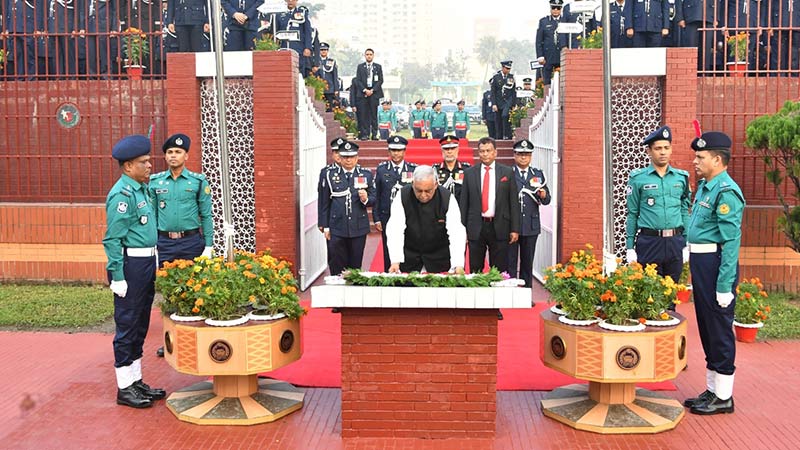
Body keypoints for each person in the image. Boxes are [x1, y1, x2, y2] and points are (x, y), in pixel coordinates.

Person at [102, 135, 166, 409]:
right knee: (127, 325)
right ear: (128, 166)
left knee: (141, 323)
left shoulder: (141, 189)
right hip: (130, 266)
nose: (150, 165)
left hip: (146, 263)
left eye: (148, 160)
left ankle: (136, 380)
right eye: (143, 162)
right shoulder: (122, 195)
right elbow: (112, 239)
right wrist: (117, 276)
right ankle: (124, 387)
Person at [684, 131, 744, 415]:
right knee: (707, 328)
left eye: (700, 157)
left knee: (719, 329)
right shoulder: (707, 187)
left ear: (717, 159)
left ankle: (724, 396)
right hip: (702, 263)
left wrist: (724, 285)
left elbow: (730, 243)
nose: (695, 161)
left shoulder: (726, 191)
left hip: (716, 266)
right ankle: (711, 390)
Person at [149, 133, 213, 357]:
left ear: (186, 155)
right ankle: (171, 341)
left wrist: (209, 246)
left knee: (196, 290)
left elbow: (207, 216)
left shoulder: (197, 181)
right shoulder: (156, 182)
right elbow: (152, 215)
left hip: (191, 242)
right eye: (169, 152)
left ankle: (196, 340)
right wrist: (153, 245)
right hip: (165, 242)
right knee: (169, 293)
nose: (173, 156)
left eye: (177, 152)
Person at [625, 126, 691, 310]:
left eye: (666, 147)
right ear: (649, 151)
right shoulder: (638, 179)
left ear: (671, 149)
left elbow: (685, 210)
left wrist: (687, 242)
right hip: (649, 242)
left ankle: (667, 334)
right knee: (649, 295)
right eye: (658, 148)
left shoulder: (681, 178)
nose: (663, 152)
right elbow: (632, 214)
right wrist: (630, 247)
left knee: (670, 295)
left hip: (675, 242)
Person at [386, 166, 467, 274]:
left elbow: (456, 232)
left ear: (436, 185)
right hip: (410, 256)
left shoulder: (447, 198)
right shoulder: (402, 196)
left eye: (428, 191)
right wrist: (395, 260)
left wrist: (458, 264)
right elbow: (395, 229)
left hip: (439, 257)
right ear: (412, 183)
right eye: (419, 190)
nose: (423, 195)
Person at [460, 137, 520, 273]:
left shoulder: (507, 173)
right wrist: (462, 229)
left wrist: (515, 229)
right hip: (476, 226)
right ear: (478, 153)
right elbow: (464, 203)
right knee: (475, 268)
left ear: (495, 153)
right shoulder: (469, 173)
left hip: (499, 225)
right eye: (482, 151)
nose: (485, 154)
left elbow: (513, 203)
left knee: (499, 269)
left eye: (488, 151)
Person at [318, 140, 376, 275]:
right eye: (345, 157)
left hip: (358, 225)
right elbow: (324, 201)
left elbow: (374, 198)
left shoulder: (365, 174)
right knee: (336, 263)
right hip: (337, 226)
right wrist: (325, 225)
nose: (348, 160)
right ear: (340, 158)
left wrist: (366, 199)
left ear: (357, 158)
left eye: (351, 157)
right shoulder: (330, 174)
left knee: (355, 265)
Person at [508, 139, 551, 288]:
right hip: (512, 225)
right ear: (514, 155)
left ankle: (526, 294)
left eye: (526, 154)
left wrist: (544, 195)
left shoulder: (537, 175)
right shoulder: (508, 173)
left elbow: (547, 200)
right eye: (520, 154)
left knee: (527, 262)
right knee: (510, 261)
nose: (523, 157)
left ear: (531, 156)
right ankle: (511, 293)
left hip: (530, 225)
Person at [373, 135, 416, 272]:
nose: (396, 153)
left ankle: (407, 275)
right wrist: (376, 218)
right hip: (387, 216)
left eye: (399, 150)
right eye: (393, 150)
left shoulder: (413, 169)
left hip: (408, 216)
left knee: (408, 246)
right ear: (389, 151)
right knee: (388, 247)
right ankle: (389, 276)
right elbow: (377, 195)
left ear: (404, 151)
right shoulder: (382, 170)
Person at [3, 0, 44, 79]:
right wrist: (6, 27)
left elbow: (39, 7)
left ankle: (31, 78)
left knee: (30, 54)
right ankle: (19, 78)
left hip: (28, 24)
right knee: (17, 54)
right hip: (13, 25)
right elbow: (6, 9)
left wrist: (38, 27)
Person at [274, 0, 312, 74]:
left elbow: (307, 31)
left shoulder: (302, 13)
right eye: (288, 0)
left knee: (299, 71)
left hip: (298, 48)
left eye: (293, 0)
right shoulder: (279, 14)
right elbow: (275, 31)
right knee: (284, 71)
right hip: (283, 47)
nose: (290, 1)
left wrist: (308, 47)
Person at [433, 135, 471, 205]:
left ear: (457, 149)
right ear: (442, 150)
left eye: (453, 148)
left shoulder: (467, 169)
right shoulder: (435, 170)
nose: (449, 152)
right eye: (446, 149)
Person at [355, 48, 384, 140]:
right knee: (364, 115)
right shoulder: (360, 67)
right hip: (363, 94)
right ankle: (365, 134)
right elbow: (358, 80)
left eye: (370, 54)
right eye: (367, 54)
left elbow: (380, 80)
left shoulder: (378, 67)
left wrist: (372, 90)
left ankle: (374, 134)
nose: (369, 56)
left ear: (373, 55)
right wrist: (365, 90)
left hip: (374, 94)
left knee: (373, 115)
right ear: (365, 56)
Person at [536, 1, 567, 86]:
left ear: (561, 9)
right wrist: (540, 56)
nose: (556, 10)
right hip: (548, 55)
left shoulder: (565, 21)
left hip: (562, 54)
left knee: (564, 79)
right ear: (550, 9)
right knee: (547, 81)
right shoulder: (544, 21)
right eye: (553, 8)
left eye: (558, 8)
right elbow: (539, 40)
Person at [489, 61, 516, 140]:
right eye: (507, 68)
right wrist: (494, 104)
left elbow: (513, 92)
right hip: (498, 102)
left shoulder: (511, 77)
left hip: (508, 102)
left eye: (509, 69)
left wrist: (513, 104)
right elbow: (493, 92)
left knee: (505, 116)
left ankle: (507, 135)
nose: (508, 70)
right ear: (503, 67)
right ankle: (499, 137)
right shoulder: (496, 77)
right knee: (498, 120)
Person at [318, 42, 339, 109]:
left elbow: (335, 76)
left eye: (325, 50)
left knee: (329, 109)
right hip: (319, 88)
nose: (323, 51)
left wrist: (336, 89)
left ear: (327, 51)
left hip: (329, 89)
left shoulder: (331, 61)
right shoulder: (315, 61)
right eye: (321, 50)